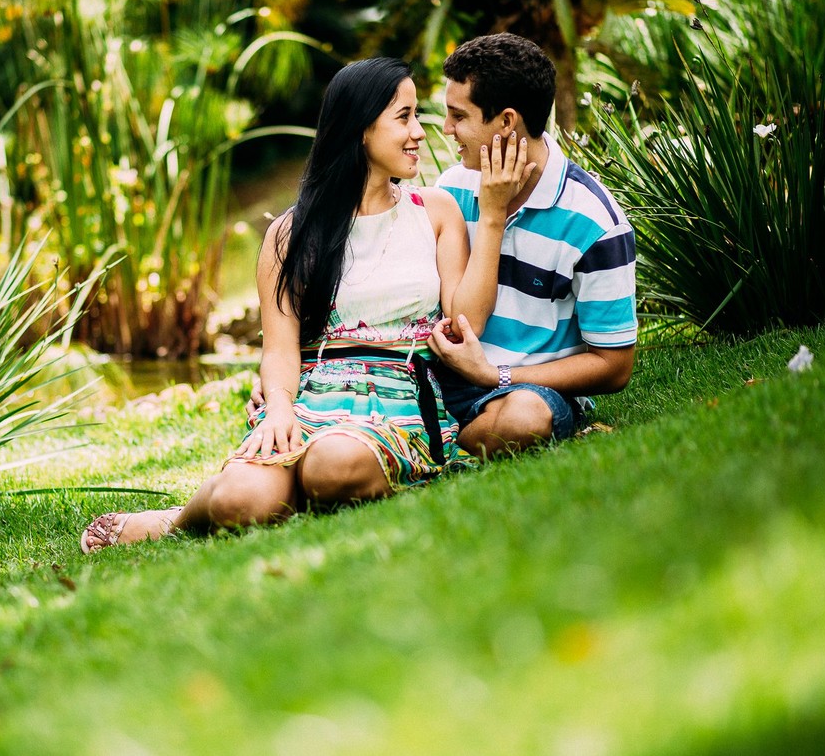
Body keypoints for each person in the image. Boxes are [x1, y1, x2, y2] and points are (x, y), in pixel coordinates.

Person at [80, 57, 532, 552]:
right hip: (310, 400)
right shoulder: (289, 236)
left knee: (334, 464)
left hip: (397, 401)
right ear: (361, 128)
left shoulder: (435, 212)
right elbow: (279, 348)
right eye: (403, 117)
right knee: (239, 503)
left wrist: (491, 218)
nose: (419, 133)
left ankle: (303, 485)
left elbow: (466, 322)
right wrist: (278, 409)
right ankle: (175, 519)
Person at [428, 33, 638, 458]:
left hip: (526, 388)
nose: (447, 129)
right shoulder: (451, 189)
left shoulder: (595, 222)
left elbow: (614, 366)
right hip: (441, 374)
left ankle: (439, 443)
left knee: (524, 419)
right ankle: (439, 437)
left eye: (458, 116)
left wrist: (496, 375)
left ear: (507, 122)